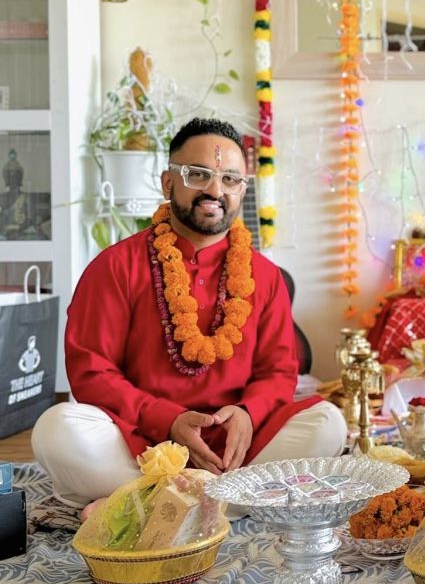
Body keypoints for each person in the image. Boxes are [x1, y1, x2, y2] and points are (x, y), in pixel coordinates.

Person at [32, 117, 346, 509]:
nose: (215, 190)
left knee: (328, 424)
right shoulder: (116, 266)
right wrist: (166, 419)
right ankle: (227, 503)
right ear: (168, 183)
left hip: (236, 449)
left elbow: (279, 371)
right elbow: (91, 370)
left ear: (242, 189)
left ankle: (151, 504)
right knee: (56, 430)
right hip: (141, 442)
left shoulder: (264, 276)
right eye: (198, 175)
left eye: (230, 179)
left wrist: (248, 414)